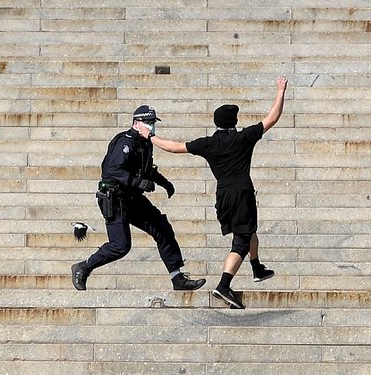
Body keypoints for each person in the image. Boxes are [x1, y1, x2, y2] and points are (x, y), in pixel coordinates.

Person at [151, 77, 289, 309]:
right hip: (242, 193)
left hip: (223, 194)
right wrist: (280, 90)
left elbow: (174, 147)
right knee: (241, 241)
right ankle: (224, 286)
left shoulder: (208, 143)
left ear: (216, 122)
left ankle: (256, 267)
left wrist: (150, 135)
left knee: (247, 230)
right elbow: (273, 117)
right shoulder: (242, 138)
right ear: (234, 121)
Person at [70, 105, 206, 291]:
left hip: (133, 198)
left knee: (163, 229)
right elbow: (112, 171)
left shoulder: (145, 143)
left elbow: (147, 168)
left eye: (152, 123)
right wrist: (138, 183)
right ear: (136, 123)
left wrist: (163, 182)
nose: (151, 126)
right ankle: (83, 268)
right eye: (147, 122)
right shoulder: (125, 142)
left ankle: (177, 278)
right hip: (115, 198)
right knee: (120, 246)